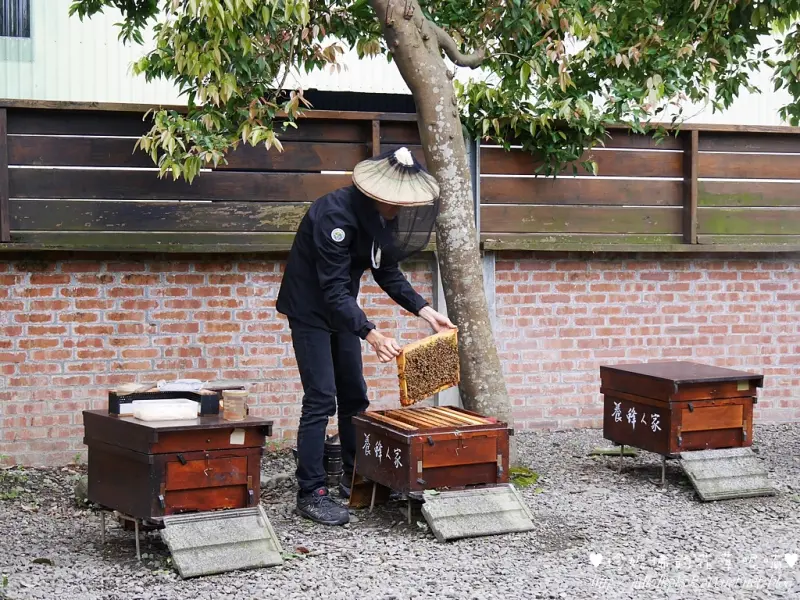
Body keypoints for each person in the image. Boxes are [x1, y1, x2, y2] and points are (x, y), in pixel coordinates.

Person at [276, 146, 455, 526]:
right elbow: (332, 288)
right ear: (377, 194)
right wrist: (370, 333)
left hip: (342, 310)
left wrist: (427, 312)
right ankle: (311, 492)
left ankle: (355, 476)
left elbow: (386, 271)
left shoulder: (381, 217)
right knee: (321, 398)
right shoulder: (333, 215)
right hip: (309, 309)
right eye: (397, 202)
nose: (401, 208)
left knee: (355, 395)